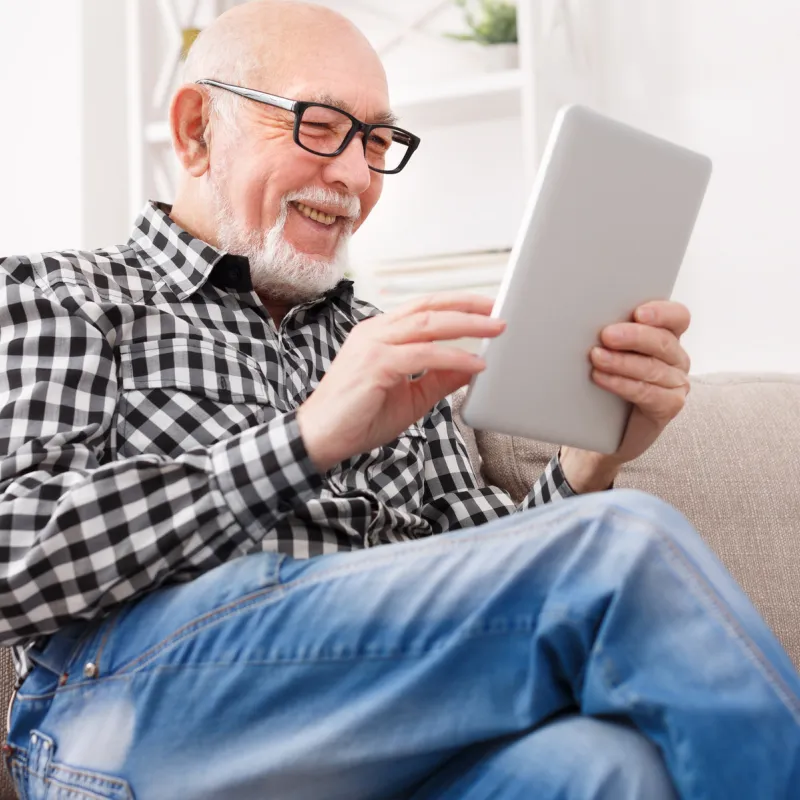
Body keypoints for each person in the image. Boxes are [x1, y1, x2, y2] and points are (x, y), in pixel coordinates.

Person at [0, 1, 798, 798]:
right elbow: (15, 557)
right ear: (196, 128)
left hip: (375, 725)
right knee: (625, 543)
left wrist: (588, 463)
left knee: (607, 770)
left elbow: (491, 575)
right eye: (319, 124)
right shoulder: (63, 296)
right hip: (127, 712)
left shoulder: (391, 346)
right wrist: (304, 439)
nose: (354, 176)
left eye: (377, 142)